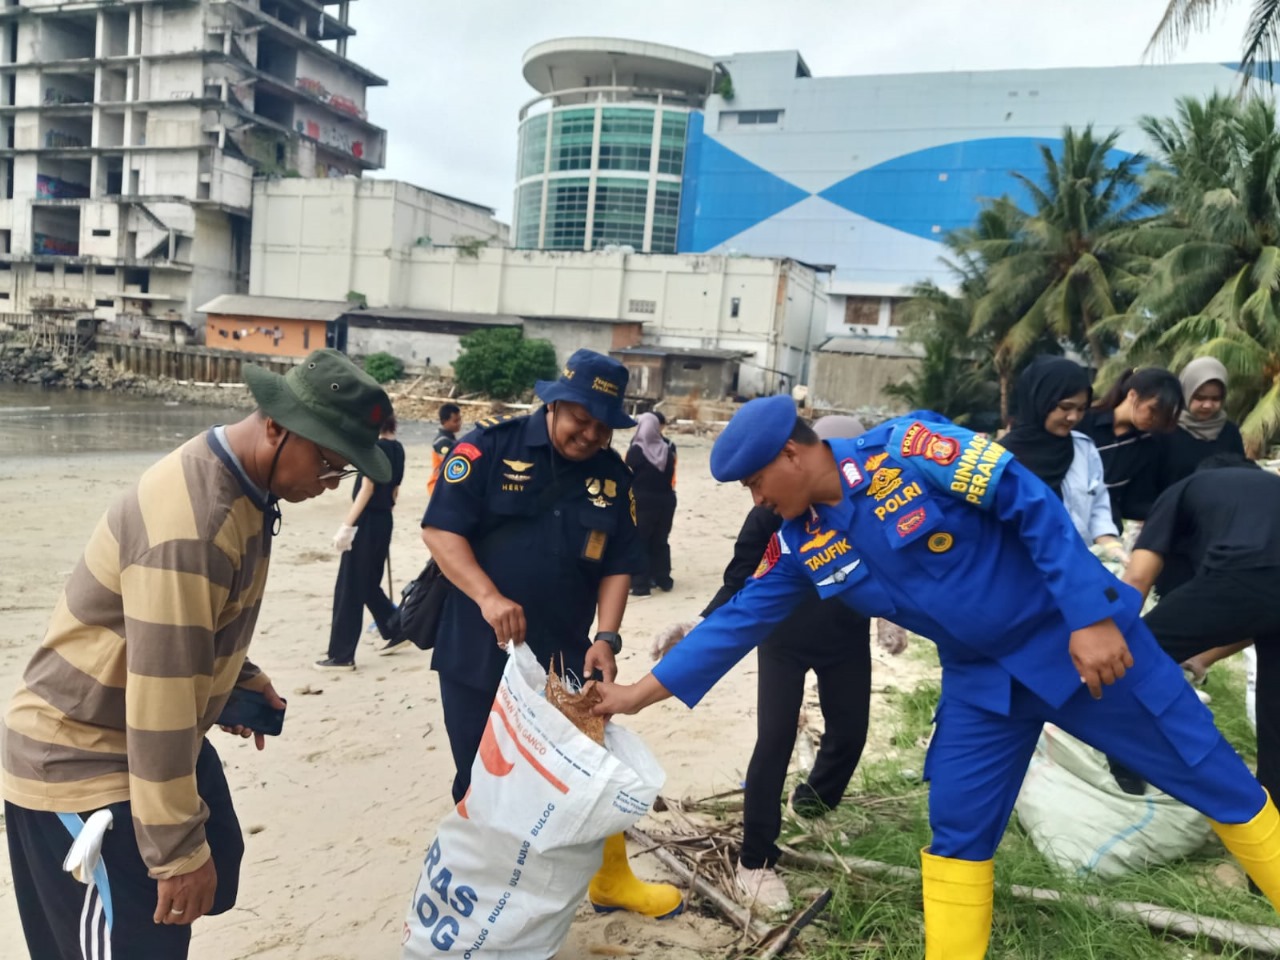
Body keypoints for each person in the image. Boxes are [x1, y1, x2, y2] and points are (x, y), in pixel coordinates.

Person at [592, 396, 1280, 959]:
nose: (756, 498)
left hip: (1079, 652)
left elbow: (1029, 501)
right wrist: (636, 697)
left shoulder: (913, 448)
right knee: (957, 829)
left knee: (1214, 778)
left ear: (793, 454)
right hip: (984, 687)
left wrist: (1090, 618)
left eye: (754, 482)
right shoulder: (805, 539)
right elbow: (737, 621)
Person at [2, 349, 394, 959]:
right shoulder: (197, 524)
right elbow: (159, 701)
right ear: (275, 425)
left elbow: (175, 633)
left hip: (132, 742)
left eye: (340, 473)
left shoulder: (243, 486)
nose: (327, 486)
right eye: (328, 465)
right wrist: (177, 856)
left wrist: (240, 678)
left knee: (208, 883)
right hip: (81, 763)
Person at [421, 348, 683, 920]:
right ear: (555, 403)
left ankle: (610, 879)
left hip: (566, 656)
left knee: (579, 773)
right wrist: (489, 597)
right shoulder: (490, 447)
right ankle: (483, 912)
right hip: (478, 651)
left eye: (600, 426)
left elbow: (619, 562)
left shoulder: (614, 476)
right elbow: (441, 531)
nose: (588, 434)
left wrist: (607, 638)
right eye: (578, 419)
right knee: (481, 778)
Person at [653, 414, 872, 913]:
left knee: (850, 733)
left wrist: (891, 620)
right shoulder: (771, 512)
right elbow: (739, 580)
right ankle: (755, 859)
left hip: (846, 636)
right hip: (784, 639)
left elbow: (895, 567)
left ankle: (813, 803)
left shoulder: (868, 504)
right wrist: (697, 622)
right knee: (774, 739)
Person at [1124, 456, 1280, 813]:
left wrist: (1116, 641)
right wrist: (1201, 658)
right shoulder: (1271, 488)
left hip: (1242, 570)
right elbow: (1264, 614)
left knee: (1134, 657)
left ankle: (1130, 762)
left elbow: (1137, 578)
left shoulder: (1184, 489)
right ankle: (1270, 854)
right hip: (1261, 585)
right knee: (1275, 718)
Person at [1000, 357, 1123, 557]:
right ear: (1039, 401)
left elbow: (1098, 507)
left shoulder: (1083, 449)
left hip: (1076, 566)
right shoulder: (1001, 459)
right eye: (1065, 407)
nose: (1073, 417)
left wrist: (1110, 546)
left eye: (1081, 409)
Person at [317, 415, 407, 668]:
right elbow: (394, 489)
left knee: (349, 586)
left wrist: (347, 525)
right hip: (384, 518)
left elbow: (367, 487)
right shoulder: (398, 448)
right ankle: (396, 627)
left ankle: (341, 654)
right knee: (367, 583)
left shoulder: (373, 448)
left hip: (366, 520)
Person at [1080, 367, 1183, 532]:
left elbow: (1133, 501)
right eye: (1153, 410)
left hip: (1108, 531)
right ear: (1132, 395)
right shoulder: (1083, 423)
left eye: (1163, 415)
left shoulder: (1149, 442)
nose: (1155, 419)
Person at [1160, 357, 1246, 487]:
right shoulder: (1166, 430)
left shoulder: (1229, 432)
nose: (1207, 405)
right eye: (1200, 398)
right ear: (1185, 393)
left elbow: (1240, 474)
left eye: (1215, 399)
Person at [626, 412, 677, 596]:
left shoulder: (636, 450)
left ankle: (641, 584)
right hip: (666, 501)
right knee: (660, 541)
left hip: (642, 502)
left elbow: (627, 475)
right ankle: (663, 579)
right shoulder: (667, 450)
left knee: (640, 541)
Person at [427, 402, 462, 496]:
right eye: (455, 421)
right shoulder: (441, 442)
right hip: (439, 486)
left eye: (460, 420)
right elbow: (453, 464)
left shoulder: (451, 439)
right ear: (444, 422)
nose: (459, 423)